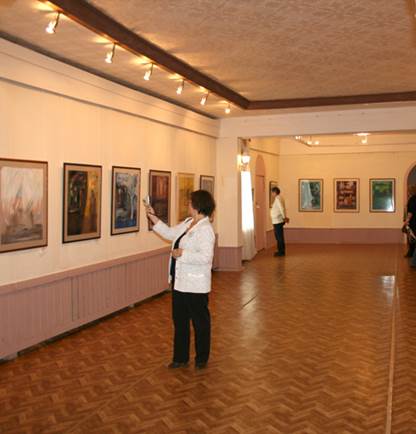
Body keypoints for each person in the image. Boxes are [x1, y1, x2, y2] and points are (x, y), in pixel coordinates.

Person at [145, 190, 216, 369]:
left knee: (200, 323)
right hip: (180, 282)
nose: (187, 205)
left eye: (190, 202)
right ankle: (180, 358)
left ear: (197, 205)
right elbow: (169, 233)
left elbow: (206, 257)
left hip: (196, 284)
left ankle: (201, 358)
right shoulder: (187, 223)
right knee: (180, 321)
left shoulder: (206, 230)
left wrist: (182, 254)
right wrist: (153, 217)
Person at [270, 186, 289, 257]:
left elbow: (281, 208)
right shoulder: (280, 198)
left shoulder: (277, 199)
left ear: (275, 192)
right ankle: (281, 251)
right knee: (279, 237)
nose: (272, 194)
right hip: (278, 220)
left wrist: (284, 217)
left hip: (277, 221)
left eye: (272, 192)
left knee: (279, 237)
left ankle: (281, 252)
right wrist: (284, 217)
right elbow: (282, 208)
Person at [404, 184, 416, 258]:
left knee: (412, 238)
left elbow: (410, 212)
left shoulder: (412, 199)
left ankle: (411, 253)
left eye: (408, 191)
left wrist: (407, 221)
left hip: (413, 222)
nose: (407, 192)